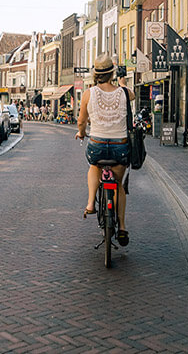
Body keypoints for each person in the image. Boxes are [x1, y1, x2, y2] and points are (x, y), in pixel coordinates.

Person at [75, 54, 132, 246]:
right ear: (112, 74)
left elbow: (81, 121)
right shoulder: (123, 93)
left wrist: (81, 133)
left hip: (97, 145)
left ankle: (91, 203)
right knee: (118, 185)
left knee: (94, 166)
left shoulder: (88, 93)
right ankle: (122, 227)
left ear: (96, 75)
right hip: (120, 146)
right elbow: (130, 93)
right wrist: (122, 82)